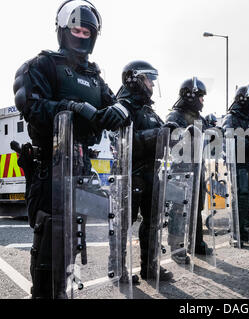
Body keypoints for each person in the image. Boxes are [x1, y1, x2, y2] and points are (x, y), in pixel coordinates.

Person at [13, 0, 129, 298]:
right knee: (50, 239)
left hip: (81, 167)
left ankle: (63, 291)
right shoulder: (42, 65)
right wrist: (72, 107)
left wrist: (119, 110)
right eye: (76, 28)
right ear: (63, 31)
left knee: (72, 241)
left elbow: (114, 102)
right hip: (50, 165)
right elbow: (31, 105)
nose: (81, 35)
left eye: (87, 30)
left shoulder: (94, 76)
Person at [116, 61, 173, 283]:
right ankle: (119, 270)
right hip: (131, 174)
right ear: (135, 79)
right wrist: (157, 134)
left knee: (152, 223)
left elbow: (160, 134)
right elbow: (125, 142)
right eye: (149, 79)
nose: (152, 84)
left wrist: (171, 133)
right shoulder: (122, 106)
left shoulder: (148, 110)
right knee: (123, 223)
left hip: (152, 173)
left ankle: (150, 268)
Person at [165, 77, 213, 259]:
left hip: (197, 169)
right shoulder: (175, 116)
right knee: (178, 210)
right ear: (191, 96)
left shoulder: (199, 118)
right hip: (181, 171)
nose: (203, 101)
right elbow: (170, 142)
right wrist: (185, 136)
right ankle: (177, 249)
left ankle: (196, 243)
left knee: (196, 208)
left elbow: (211, 137)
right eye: (201, 97)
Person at [222, 86, 249, 246]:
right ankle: (236, 233)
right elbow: (230, 138)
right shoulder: (231, 118)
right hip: (238, 164)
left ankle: (245, 230)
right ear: (244, 100)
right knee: (241, 197)